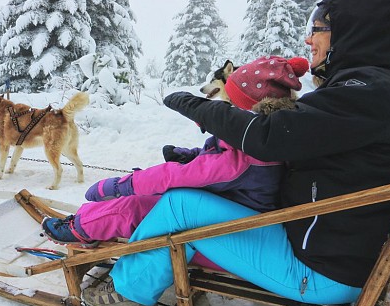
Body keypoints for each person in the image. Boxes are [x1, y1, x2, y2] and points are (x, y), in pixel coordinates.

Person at [82, 0, 390, 306]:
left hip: (320, 272)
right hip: (331, 254)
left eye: (319, 28)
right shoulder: (372, 91)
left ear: (354, 32)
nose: (309, 39)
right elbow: (294, 141)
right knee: (194, 206)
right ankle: (144, 274)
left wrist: (197, 107)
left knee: (178, 206)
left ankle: (128, 293)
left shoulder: (366, 93)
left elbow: (267, 135)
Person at [41, 56, 309, 264]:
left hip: (230, 239)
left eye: (230, 102)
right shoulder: (258, 141)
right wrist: (190, 155)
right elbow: (213, 163)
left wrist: (117, 185)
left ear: (246, 108)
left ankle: (79, 229)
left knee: (140, 204)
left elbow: (180, 175)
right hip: (236, 217)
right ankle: (86, 220)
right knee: (151, 197)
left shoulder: (248, 155)